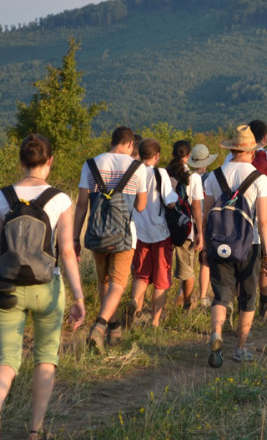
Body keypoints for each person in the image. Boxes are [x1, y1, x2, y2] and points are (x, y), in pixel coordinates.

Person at [0, 134, 86, 440]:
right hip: (46, 289)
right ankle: (35, 432)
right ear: (49, 161)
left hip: (7, 287)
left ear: (21, 161)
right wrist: (79, 299)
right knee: (45, 359)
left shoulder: (3, 197)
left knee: (7, 358)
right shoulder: (60, 200)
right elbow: (66, 252)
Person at [204, 125, 267, 366]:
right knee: (247, 298)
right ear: (252, 151)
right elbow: (265, 221)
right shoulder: (259, 179)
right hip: (249, 245)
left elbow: (205, 217)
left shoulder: (214, 176)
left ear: (232, 149)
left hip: (218, 244)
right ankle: (240, 348)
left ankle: (216, 333)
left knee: (221, 296)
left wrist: (205, 247)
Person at [73, 126, 147, 351]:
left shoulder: (91, 164)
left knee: (103, 281)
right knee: (118, 284)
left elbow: (82, 204)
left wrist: (75, 238)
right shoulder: (137, 168)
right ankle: (100, 325)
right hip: (123, 235)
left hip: (97, 232)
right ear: (131, 144)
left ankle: (113, 328)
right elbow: (141, 206)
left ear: (112, 141)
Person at [224, 120, 267, 321]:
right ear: (265, 138)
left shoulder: (230, 156)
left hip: (236, 217)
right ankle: (265, 304)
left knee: (237, 259)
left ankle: (233, 303)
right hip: (266, 215)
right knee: (265, 260)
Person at [127, 138, 178, 328]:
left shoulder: (133, 173)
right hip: (160, 232)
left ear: (140, 153)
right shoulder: (161, 173)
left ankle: (134, 305)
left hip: (139, 232)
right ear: (157, 156)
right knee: (161, 280)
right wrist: (173, 187)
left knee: (141, 274)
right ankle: (155, 321)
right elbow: (170, 202)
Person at [164, 140, 205, 318]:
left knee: (163, 268)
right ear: (188, 156)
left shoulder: (164, 173)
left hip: (164, 226)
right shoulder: (194, 177)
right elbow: (196, 206)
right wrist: (200, 232)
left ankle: (161, 307)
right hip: (184, 227)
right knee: (187, 269)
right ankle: (188, 303)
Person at [189, 144, 218, 307]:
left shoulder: (184, 176)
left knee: (186, 263)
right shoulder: (211, 178)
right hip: (204, 222)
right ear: (206, 162)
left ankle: (184, 294)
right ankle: (202, 296)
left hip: (187, 223)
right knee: (204, 261)